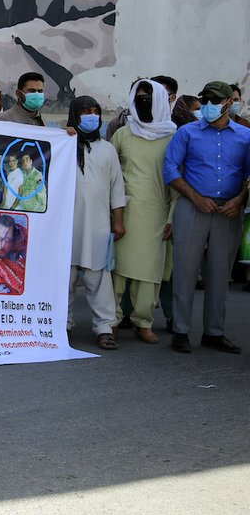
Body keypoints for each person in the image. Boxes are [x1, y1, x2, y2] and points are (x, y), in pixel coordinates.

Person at [165, 81, 250, 354]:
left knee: (219, 272)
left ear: (228, 103)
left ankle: (214, 332)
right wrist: (194, 197)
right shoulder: (187, 133)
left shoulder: (245, 136)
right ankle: (180, 329)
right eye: (206, 100)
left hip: (228, 210)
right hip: (193, 205)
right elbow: (170, 169)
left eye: (215, 100)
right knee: (185, 269)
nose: (210, 105)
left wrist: (240, 200)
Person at [111, 79, 176, 345]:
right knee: (117, 270)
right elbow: (109, 173)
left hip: (156, 214)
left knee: (149, 272)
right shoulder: (122, 134)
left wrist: (172, 217)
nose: (143, 101)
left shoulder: (174, 136)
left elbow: (178, 181)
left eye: (148, 97)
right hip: (123, 213)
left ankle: (143, 322)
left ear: (160, 100)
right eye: (139, 97)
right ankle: (110, 321)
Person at [66, 96, 127, 350]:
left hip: (98, 225)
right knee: (65, 278)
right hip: (67, 226)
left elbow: (117, 188)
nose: (91, 116)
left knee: (98, 278)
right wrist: (63, 136)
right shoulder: (63, 145)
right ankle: (62, 324)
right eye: (85, 112)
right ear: (75, 116)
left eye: (95, 111)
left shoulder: (107, 149)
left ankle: (104, 327)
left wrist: (119, 221)